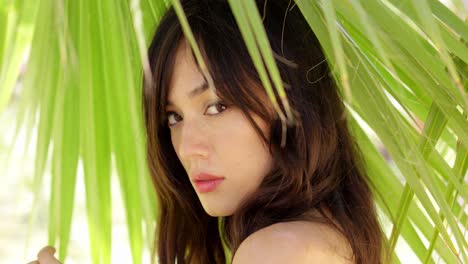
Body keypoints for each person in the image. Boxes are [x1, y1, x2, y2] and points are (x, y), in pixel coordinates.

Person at [30, 0, 385, 263]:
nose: (186, 148)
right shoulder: (331, 234)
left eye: (216, 106)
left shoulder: (281, 249)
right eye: (173, 117)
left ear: (288, 102)